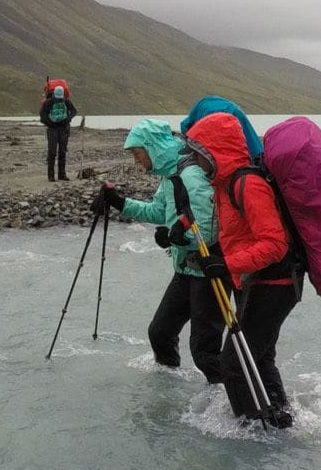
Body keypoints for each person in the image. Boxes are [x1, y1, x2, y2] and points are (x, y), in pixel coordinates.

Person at [183, 109, 300, 428]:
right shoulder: (224, 186)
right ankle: (280, 422)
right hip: (259, 283)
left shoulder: (247, 184)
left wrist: (226, 265)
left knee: (234, 364)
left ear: (215, 151)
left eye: (199, 154)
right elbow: (239, 237)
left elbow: (275, 243)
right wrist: (206, 256)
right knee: (259, 358)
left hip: (275, 286)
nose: (196, 162)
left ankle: (252, 434)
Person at [90, 120, 223, 382]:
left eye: (138, 154)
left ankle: (232, 407)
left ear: (153, 147)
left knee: (204, 351)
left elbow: (210, 230)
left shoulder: (191, 175)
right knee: (160, 333)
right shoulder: (171, 175)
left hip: (209, 271)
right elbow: (159, 211)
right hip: (186, 268)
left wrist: (178, 239)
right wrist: (119, 202)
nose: (137, 161)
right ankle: (168, 389)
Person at [181, 95, 263, 162]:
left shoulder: (195, 121)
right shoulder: (201, 110)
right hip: (231, 111)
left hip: (222, 113)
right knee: (247, 142)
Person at [39, 81, 77, 181]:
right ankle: (53, 175)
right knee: (53, 152)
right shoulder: (50, 102)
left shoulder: (64, 101)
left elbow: (74, 111)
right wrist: (65, 121)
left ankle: (60, 175)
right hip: (57, 129)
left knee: (61, 152)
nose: (59, 99)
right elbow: (42, 116)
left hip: (58, 129)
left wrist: (64, 120)